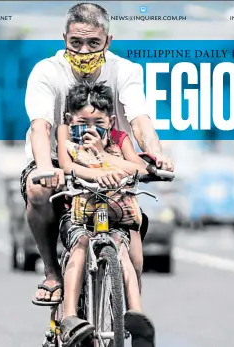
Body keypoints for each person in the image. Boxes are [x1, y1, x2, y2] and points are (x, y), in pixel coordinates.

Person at [22, 1, 174, 316]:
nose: (84, 50)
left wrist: (156, 155)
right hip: (56, 160)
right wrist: (46, 167)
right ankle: (52, 274)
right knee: (37, 193)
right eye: (75, 42)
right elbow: (40, 126)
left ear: (108, 41)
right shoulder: (47, 72)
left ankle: (131, 315)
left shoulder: (126, 71)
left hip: (111, 161)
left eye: (93, 42)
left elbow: (140, 120)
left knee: (132, 241)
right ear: (63, 38)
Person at [54, 80, 155, 346]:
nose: (89, 128)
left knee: (124, 251)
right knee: (81, 243)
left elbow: (141, 169)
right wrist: (99, 172)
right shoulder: (65, 135)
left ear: (110, 121)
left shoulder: (120, 140)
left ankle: (137, 317)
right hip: (77, 214)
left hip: (112, 214)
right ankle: (69, 318)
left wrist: (103, 156)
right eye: (82, 121)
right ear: (68, 119)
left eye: (98, 121)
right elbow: (67, 166)